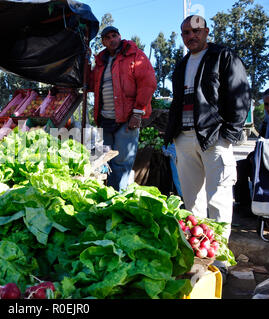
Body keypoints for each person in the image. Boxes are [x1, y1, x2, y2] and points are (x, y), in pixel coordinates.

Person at [164, 15, 251, 242]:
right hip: (183, 138)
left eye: (196, 31)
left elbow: (240, 96)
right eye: (186, 33)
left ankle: (220, 258)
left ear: (206, 31)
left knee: (218, 199)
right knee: (192, 201)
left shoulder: (223, 56)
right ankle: (199, 254)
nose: (191, 36)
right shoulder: (182, 64)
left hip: (214, 138)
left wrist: (228, 135)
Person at [88, 26, 157, 192]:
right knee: (105, 162)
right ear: (103, 42)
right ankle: (109, 197)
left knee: (121, 164)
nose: (112, 39)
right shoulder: (100, 62)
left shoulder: (135, 56)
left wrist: (137, 113)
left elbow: (148, 83)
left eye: (115, 35)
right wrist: (85, 60)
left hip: (126, 120)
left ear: (119, 36)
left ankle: (117, 199)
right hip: (105, 120)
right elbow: (90, 84)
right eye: (107, 37)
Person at [234, 87, 269, 214]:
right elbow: (260, 144)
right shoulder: (266, 123)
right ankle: (244, 205)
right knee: (241, 165)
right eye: (267, 105)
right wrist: (253, 156)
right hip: (265, 158)